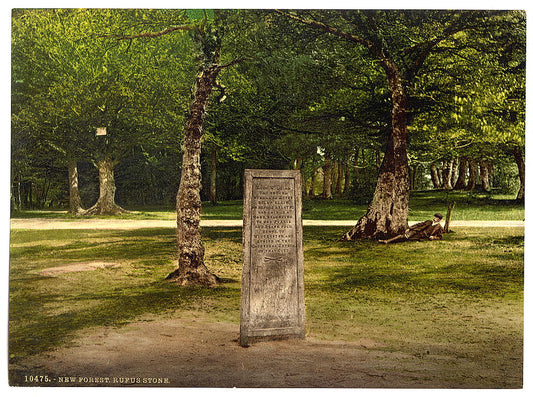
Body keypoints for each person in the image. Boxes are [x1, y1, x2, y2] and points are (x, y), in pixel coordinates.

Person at [378, 213, 444, 244]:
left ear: (439, 219)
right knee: (405, 236)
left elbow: (440, 237)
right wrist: (410, 228)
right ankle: (386, 241)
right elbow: (418, 224)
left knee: (404, 238)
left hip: (421, 236)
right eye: (435, 217)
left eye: (437, 218)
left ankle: (387, 241)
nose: (435, 219)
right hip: (415, 231)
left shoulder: (439, 227)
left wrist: (434, 237)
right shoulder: (429, 221)